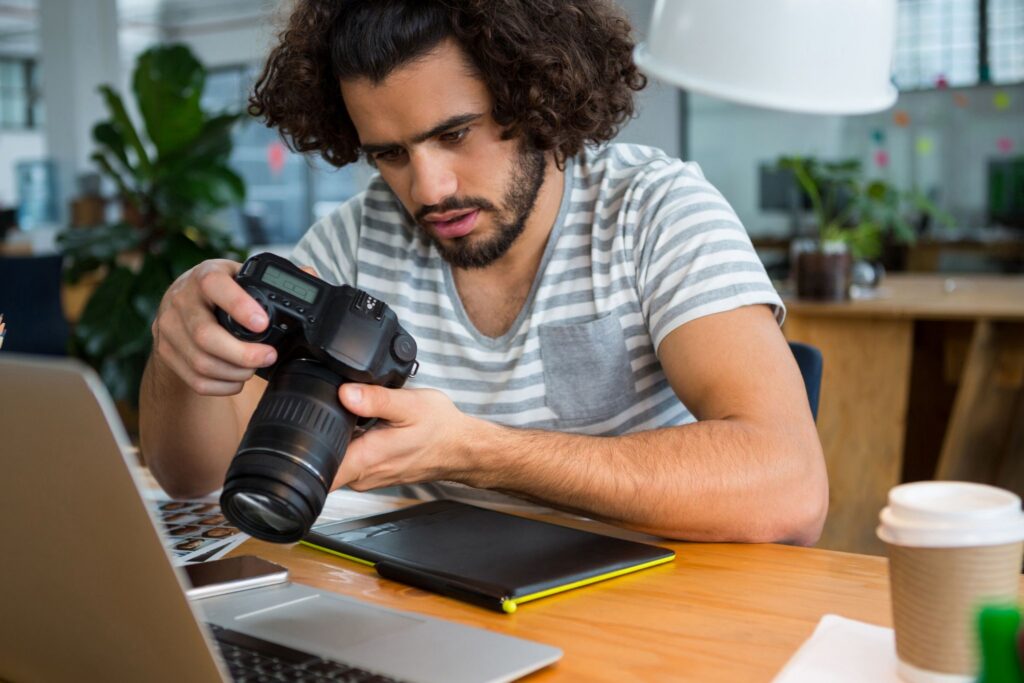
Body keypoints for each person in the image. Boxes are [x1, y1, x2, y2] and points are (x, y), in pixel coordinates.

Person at [140, 0, 827, 544]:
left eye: (454, 134)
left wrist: (477, 452)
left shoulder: (654, 212)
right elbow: (195, 477)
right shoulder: (355, 241)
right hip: (428, 610)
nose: (428, 189)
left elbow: (791, 488)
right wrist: (181, 354)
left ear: (535, 92)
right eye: (390, 154)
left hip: (646, 613)